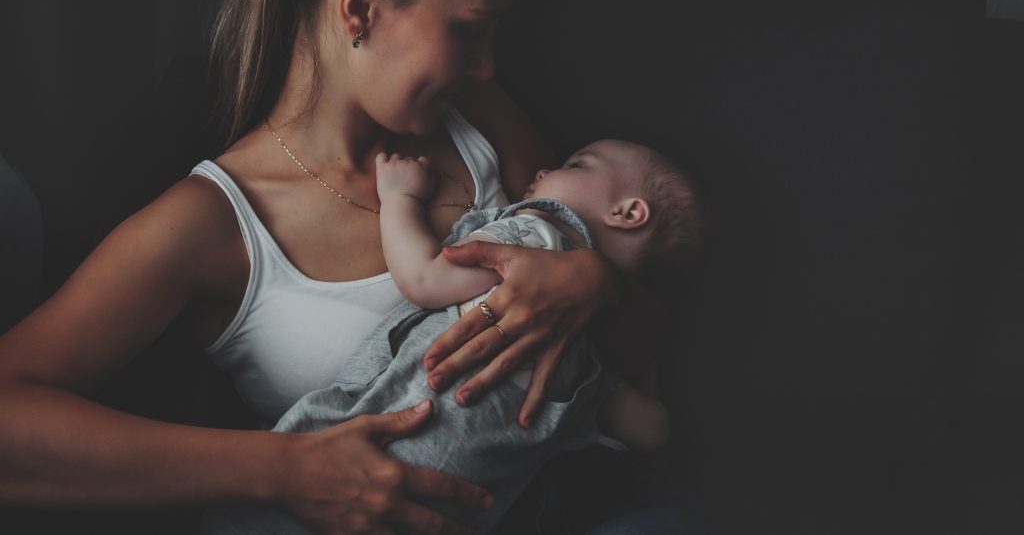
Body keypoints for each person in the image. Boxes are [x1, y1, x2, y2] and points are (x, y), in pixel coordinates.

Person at [0, 0, 677, 533]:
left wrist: (599, 283)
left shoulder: (480, 117)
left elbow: (627, 344)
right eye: (470, 29)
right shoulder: (211, 223)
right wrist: (283, 467)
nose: (489, 64)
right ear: (360, 6)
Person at [204, 139, 704, 533]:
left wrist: (400, 200)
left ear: (628, 213)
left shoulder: (537, 236)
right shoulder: (592, 366)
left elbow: (424, 280)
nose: (543, 171)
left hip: (380, 452)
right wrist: (642, 377)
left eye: (577, 162)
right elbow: (652, 429)